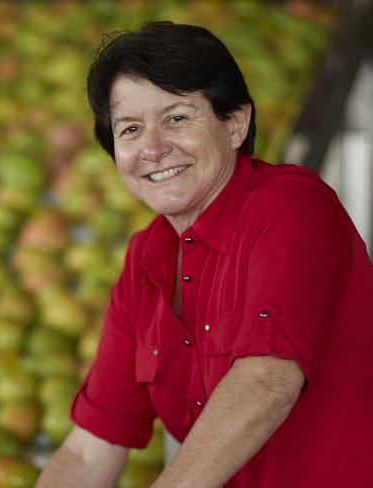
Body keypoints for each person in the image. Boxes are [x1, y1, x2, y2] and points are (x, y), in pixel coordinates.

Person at [37, 21, 373, 488]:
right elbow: (89, 450)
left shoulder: (290, 206)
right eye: (131, 129)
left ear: (235, 123)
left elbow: (267, 382)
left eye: (176, 117)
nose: (152, 148)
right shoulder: (144, 263)